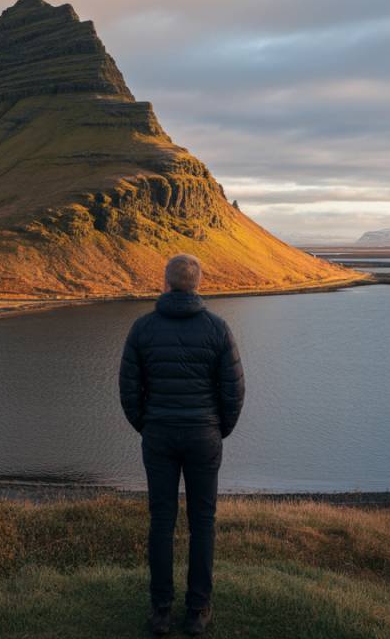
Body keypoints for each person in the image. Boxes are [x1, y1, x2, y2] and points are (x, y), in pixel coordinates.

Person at [118, 253, 245, 636]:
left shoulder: (142, 328)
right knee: (202, 522)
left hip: (158, 434)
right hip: (203, 435)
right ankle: (198, 610)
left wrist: (147, 424)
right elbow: (234, 391)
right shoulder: (218, 328)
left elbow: (128, 389)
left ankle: (160, 612)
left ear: (166, 282)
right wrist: (218, 428)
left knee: (161, 521)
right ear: (198, 283)